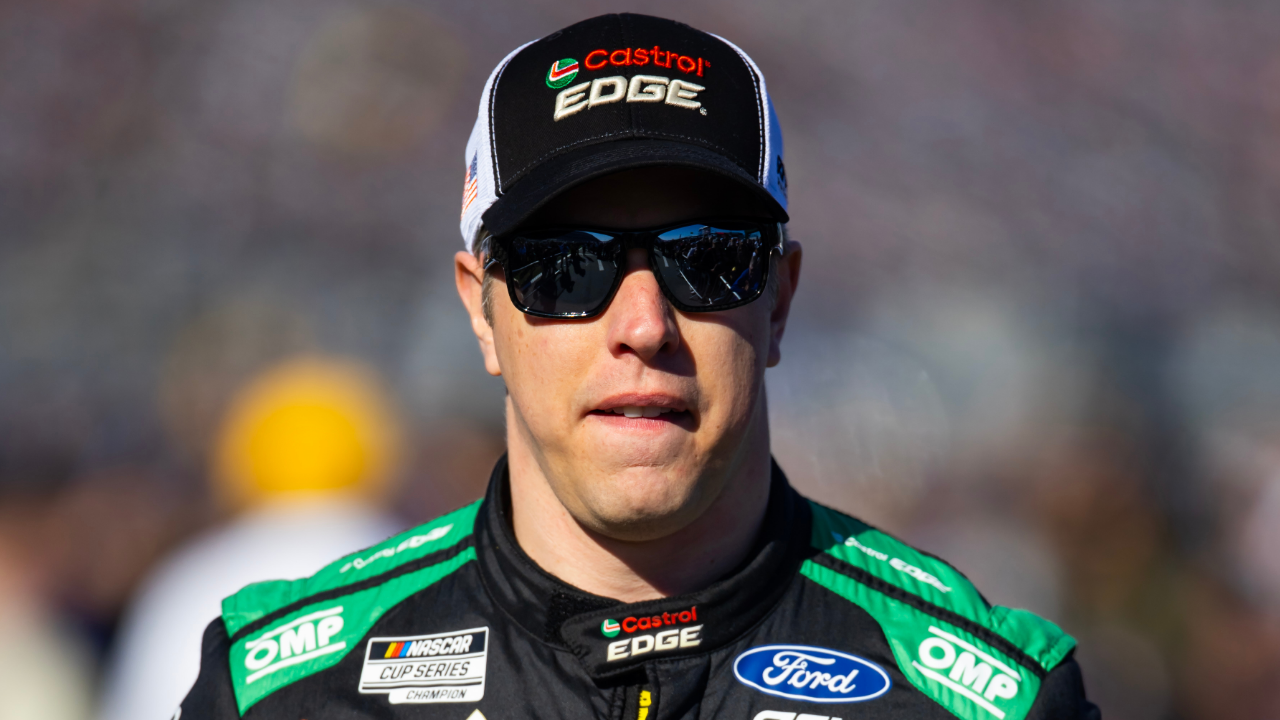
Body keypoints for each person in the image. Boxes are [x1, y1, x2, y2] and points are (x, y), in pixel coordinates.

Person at [178, 13, 1098, 720]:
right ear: (481, 308)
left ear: (777, 300)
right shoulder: (274, 690)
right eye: (563, 267)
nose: (645, 324)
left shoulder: (989, 698)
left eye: (710, 260)